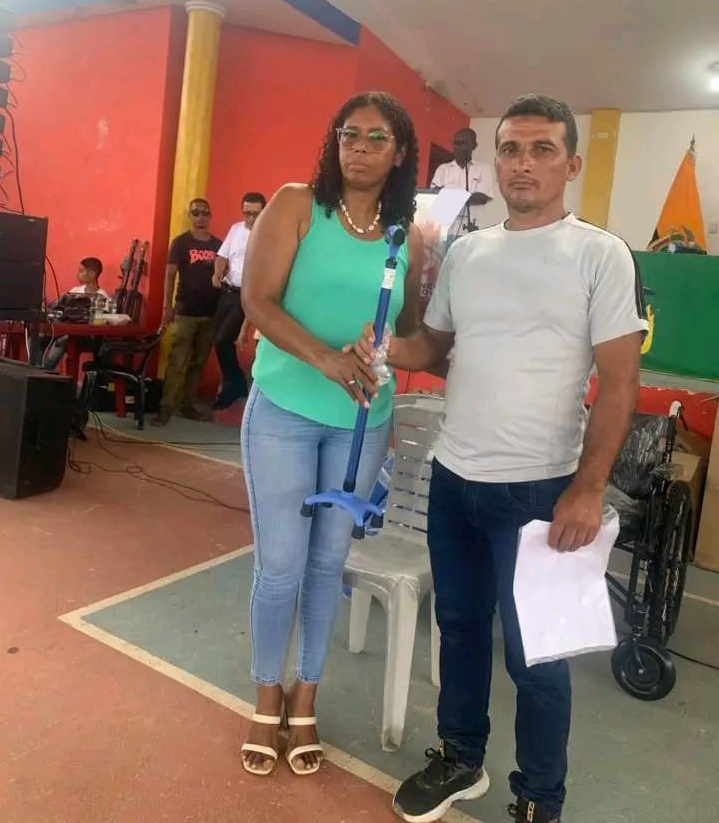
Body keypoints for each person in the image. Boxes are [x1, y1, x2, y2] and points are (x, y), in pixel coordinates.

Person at [353, 95, 647, 823]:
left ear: (571, 165)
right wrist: (386, 346)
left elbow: (620, 383)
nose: (523, 163)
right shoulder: (469, 252)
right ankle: (461, 759)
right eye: (511, 148)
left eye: (542, 149)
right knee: (458, 628)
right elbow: (436, 347)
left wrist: (588, 489)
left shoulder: (600, 254)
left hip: (542, 491)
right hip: (455, 480)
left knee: (536, 657)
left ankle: (539, 798)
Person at [239, 91, 423, 778]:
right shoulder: (296, 205)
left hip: (362, 423)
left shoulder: (408, 237)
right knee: (281, 565)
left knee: (326, 565)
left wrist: (389, 351)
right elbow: (257, 301)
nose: (361, 148)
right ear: (335, 141)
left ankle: (306, 695)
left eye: (377, 138)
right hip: (285, 409)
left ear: (399, 153)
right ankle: (267, 695)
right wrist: (325, 358)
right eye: (350, 134)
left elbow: (416, 336)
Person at [152, 198, 222, 426]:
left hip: (210, 312)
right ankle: (166, 407)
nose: (200, 217)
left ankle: (187, 404)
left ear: (210, 216)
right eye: (196, 213)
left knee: (198, 362)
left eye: (205, 212)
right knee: (177, 361)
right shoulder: (181, 242)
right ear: (189, 216)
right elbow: (170, 275)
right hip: (185, 311)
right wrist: (167, 306)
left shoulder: (218, 245)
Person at [212, 192, 267, 408]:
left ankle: (234, 384)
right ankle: (234, 382)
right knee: (217, 340)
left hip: (248, 293)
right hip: (228, 290)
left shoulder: (269, 233)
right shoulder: (236, 229)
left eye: (255, 214)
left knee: (223, 339)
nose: (251, 218)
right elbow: (222, 256)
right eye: (247, 214)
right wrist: (217, 272)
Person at [42, 257, 110, 370]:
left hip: (87, 337)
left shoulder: (102, 297)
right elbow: (56, 306)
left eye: (81, 271)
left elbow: (98, 322)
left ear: (92, 274)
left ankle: (44, 371)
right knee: (40, 337)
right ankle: (34, 368)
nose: (78, 274)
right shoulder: (74, 291)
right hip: (65, 331)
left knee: (62, 342)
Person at [430, 127, 494, 235]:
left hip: (471, 229)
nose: (458, 147)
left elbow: (482, 197)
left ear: (474, 146)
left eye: (463, 143)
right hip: (444, 228)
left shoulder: (483, 168)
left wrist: (447, 194)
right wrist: (468, 196)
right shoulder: (443, 169)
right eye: (456, 143)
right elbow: (434, 195)